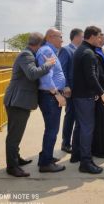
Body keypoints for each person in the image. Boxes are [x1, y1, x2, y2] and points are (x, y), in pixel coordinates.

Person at [4, 32, 56, 177]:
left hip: (20, 101)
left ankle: (16, 159)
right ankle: (12, 167)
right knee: (14, 135)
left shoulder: (28, 54)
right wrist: (48, 64)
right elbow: (32, 74)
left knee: (16, 133)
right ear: (40, 44)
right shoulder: (26, 55)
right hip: (17, 101)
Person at [71, 26, 104, 174]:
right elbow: (91, 77)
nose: (101, 39)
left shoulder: (81, 50)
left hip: (79, 95)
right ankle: (85, 162)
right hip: (85, 96)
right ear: (93, 37)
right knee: (87, 128)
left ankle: (76, 155)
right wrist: (102, 94)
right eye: (100, 36)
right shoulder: (88, 53)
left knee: (81, 127)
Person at [36, 28, 66, 173]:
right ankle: (45, 163)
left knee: (51, 129)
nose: (62, 40)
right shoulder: (47, 51)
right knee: (52, 130)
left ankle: (45, 157)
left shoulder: (49, 50)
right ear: (50, 37)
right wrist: (57, 95)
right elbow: (46, 77)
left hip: (50, 95)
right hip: (50, 96)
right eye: (60, 37)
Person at [58, 28, 83, 153]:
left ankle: (75, 143)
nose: (83, 39)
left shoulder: (80, 50)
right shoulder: (66, 50)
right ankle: (66, 143)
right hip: (70, 90)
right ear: (76, 37)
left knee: (77, 117)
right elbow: (62, 70)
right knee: (70, 116)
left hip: (79, 90)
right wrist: (66, 86)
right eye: (82, 36)